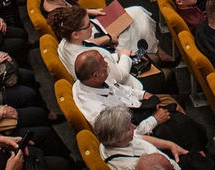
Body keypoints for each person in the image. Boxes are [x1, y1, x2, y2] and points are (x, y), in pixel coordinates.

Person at [70, 51, 207, 154]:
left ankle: (197, 148)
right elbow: (124, 137)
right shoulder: (98, 111)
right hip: (138, 127)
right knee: (179, 121)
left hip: (137, 108)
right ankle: (196, 154)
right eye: (103, 64)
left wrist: (143, 94)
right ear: (95, 76)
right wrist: (154, 120)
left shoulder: (93, 80)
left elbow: (121, 88)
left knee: (175, 105)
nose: (107, 64)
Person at [37, 0, 162, 59]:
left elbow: (73, 10)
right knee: (135, 28)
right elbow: (80, 43)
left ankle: (155, 49)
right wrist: (109, 37)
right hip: (95, 37)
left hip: (93, 23)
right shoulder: (58, 18)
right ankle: (154, 52)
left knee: (137, 12)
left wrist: (90, 12)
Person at [48, 7, 168, 97]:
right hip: (122, 90)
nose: (91, 27)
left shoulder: (63, 45)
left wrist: (118, 56)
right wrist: (124, 56)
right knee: (167, 74)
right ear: (75, 34)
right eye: (87, 25)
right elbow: (120, 76)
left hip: (99, 82)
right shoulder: (95, 56)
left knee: (154, 58)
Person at [92, 106, 185, 170]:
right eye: (128, 129)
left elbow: (140, 137)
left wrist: (170, 145)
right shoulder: (130, 166)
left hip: (168, 158)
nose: (134, 127)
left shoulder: (118, 140)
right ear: (117, 140)